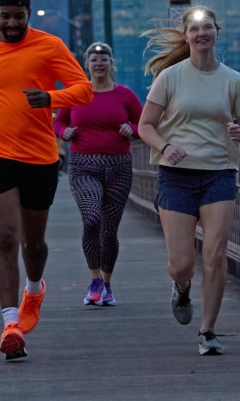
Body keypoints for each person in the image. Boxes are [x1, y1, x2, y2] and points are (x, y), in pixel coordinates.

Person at [0, 0, 93, 360]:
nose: (13, 22)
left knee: (33, 244)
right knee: (4, 239)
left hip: (39, 156)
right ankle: (10, 323)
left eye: (19, 16)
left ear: (28, 15)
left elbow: (83, 90)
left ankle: (34, 290)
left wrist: (51, 98)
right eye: (6, 16)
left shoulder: (49, 46)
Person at [135, 6, 240, 356]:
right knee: (181, 264)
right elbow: (145, 125)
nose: (202, 33)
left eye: (208, 27)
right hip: (176, 177)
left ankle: (207, 331)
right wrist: (165, 145)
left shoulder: (234, 81)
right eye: (195, 28)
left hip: (219, 174)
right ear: (186, 36)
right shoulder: (171, 77)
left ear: (217, 32)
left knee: (216, 255)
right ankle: (182, 287)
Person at [53, 41, 142, 307]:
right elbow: (59, 120)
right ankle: (94, 280)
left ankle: (107, 283)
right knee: (92, 219)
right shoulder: (77, 93)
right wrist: (63, 133)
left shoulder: (125, 95)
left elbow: (144, 123)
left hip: (118, 166)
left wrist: (132, 129)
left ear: (111, 64)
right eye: (94, 60)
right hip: (83, 165)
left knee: (109, 230)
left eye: (104, 60)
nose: (99, 64)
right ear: (87, 65)